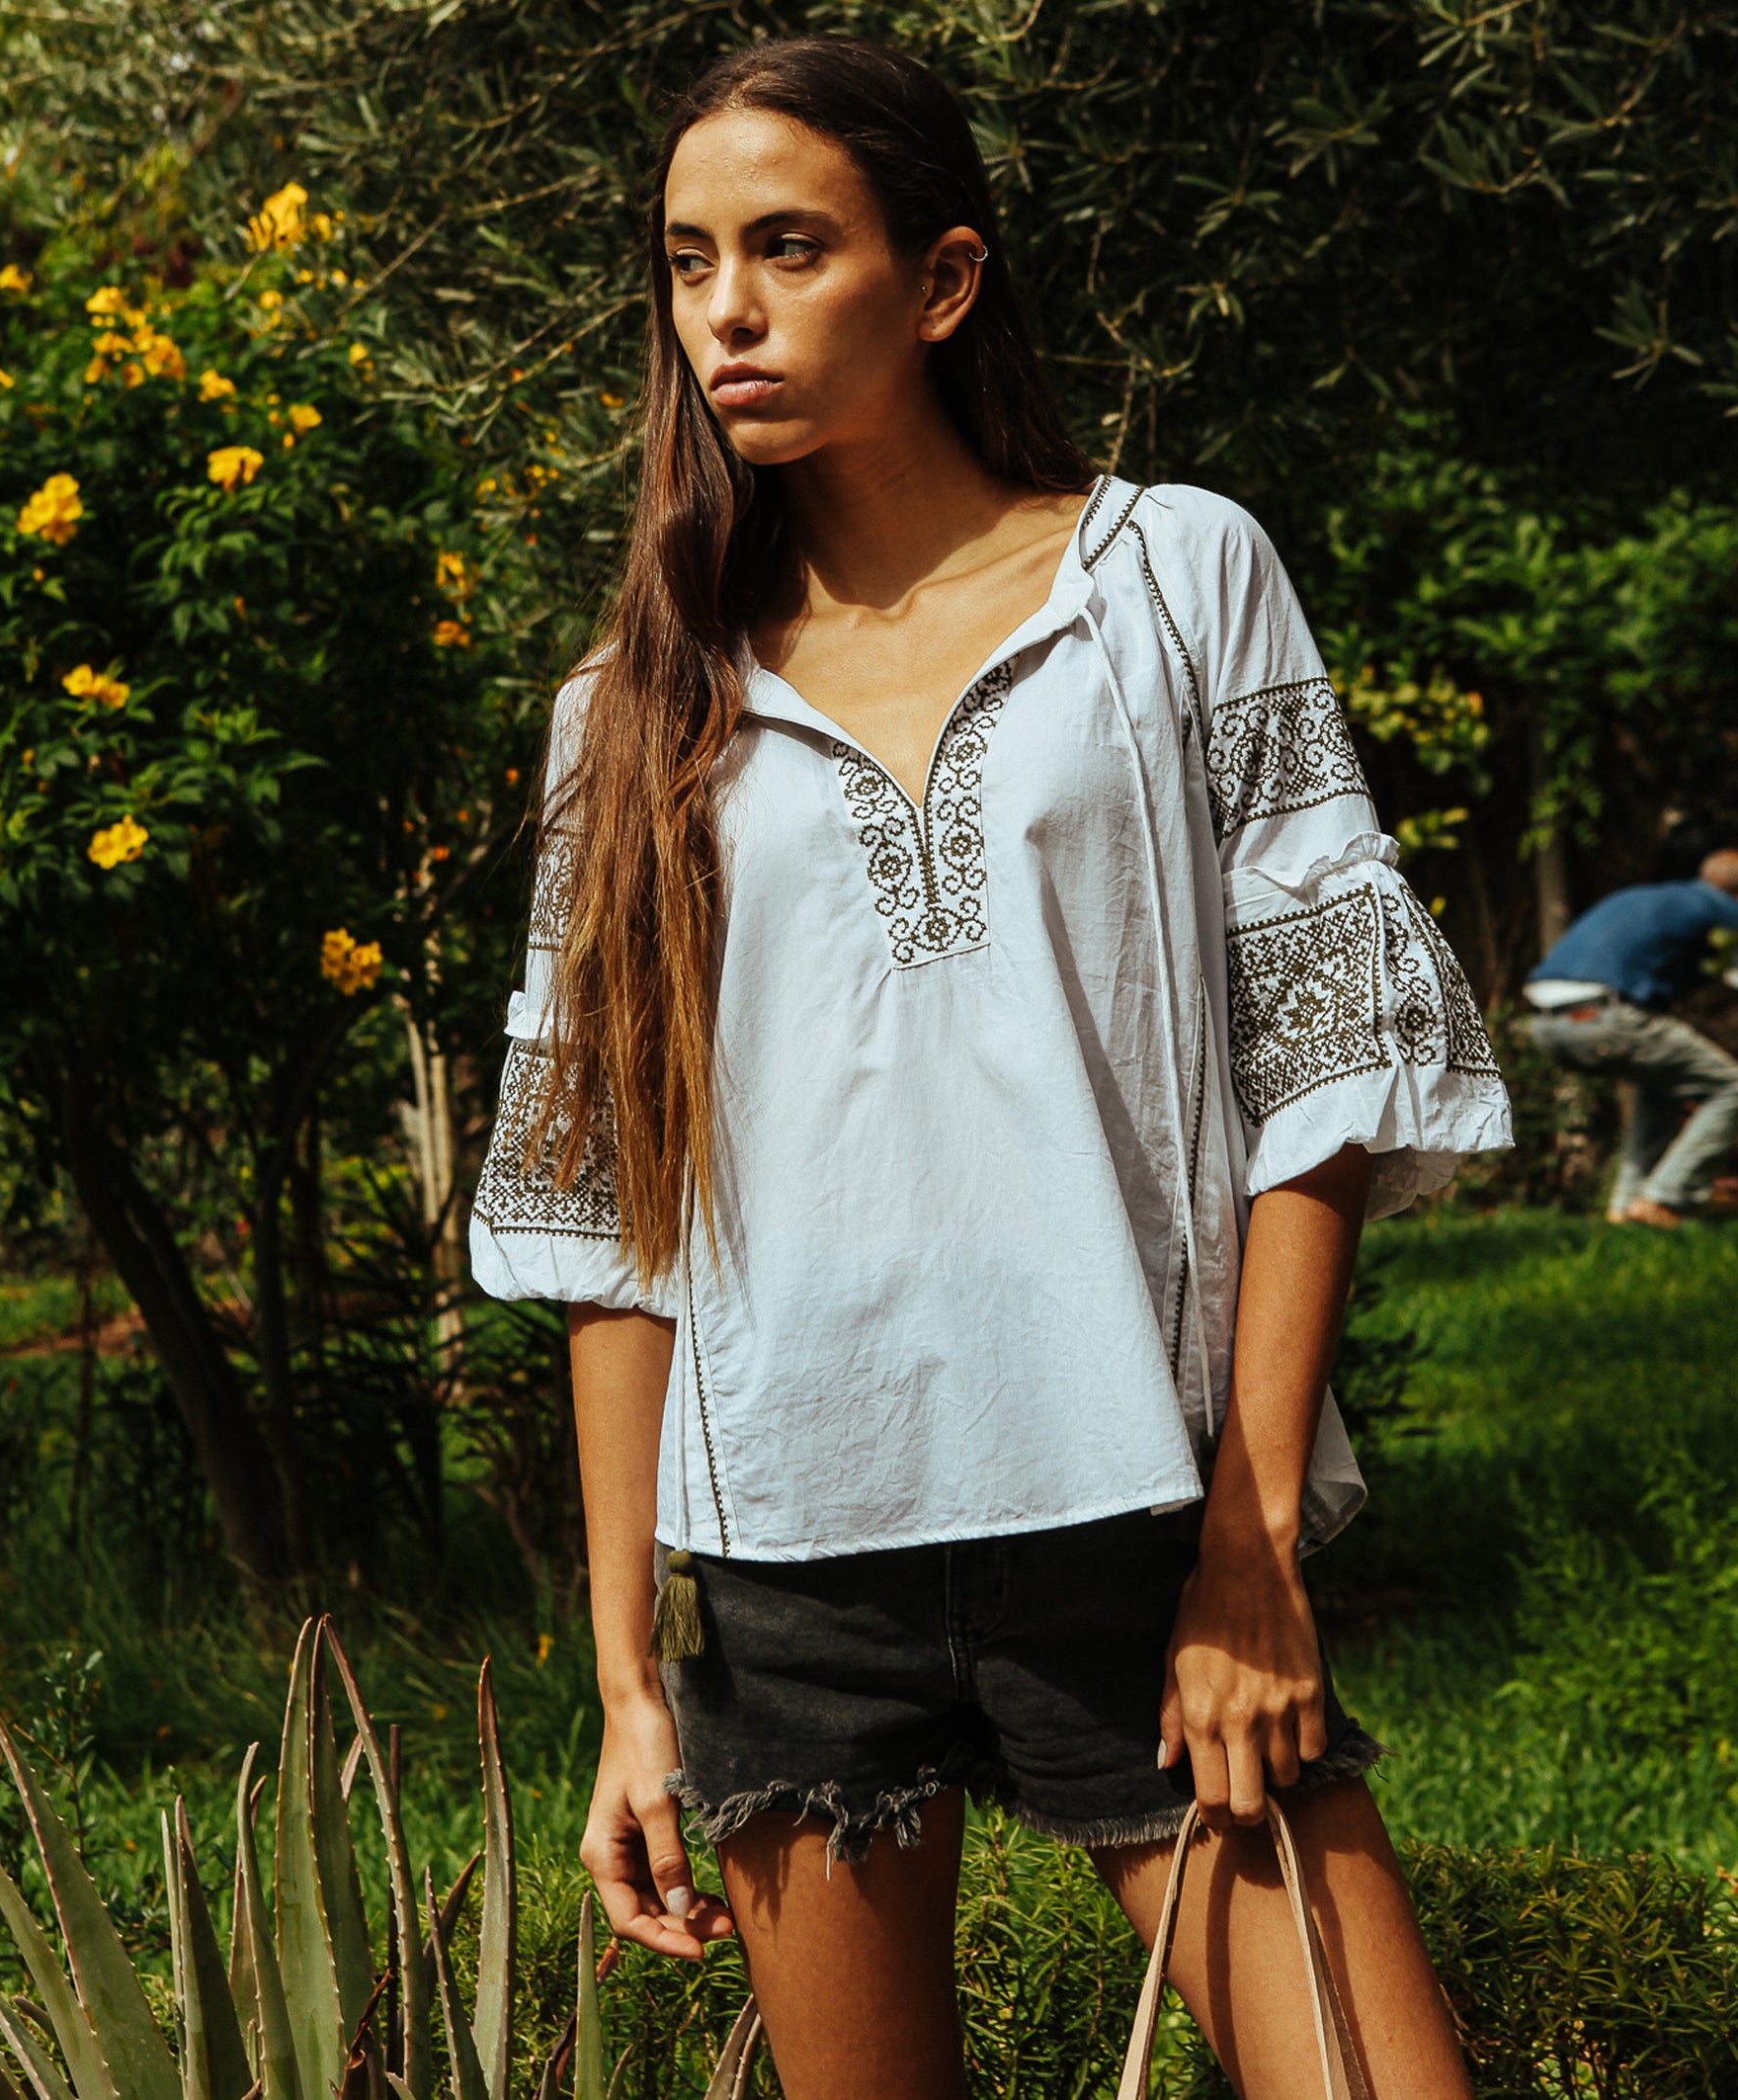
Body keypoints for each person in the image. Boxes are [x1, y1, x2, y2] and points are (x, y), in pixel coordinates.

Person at [469, 36, 1511, 2100]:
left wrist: (1253, 1542)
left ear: (939, 280)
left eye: (786, 248)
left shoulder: (1167, 580)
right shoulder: (638, 699)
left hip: (1138, 1530)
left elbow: (1325, 1064)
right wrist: (626, 1682)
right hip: (789, 1568)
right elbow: (609, 1203)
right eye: (686, 263)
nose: (725, 314)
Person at [1526, 852, 1738, 1226]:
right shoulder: (1721, 907)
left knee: (1665, 1086)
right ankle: (1666, 1197)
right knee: (1731, 1088)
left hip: (1544, 1021)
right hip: (1602, 1015)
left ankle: (1626, 1209)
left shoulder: (1644, 898)